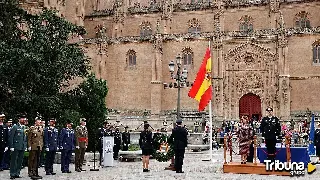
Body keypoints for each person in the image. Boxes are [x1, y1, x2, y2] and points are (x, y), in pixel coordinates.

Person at [9, 114, 27, 179]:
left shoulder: (24, 127)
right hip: (16, 146)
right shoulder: (15, 126)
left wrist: (25, 146)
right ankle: (12, 173)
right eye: (22, 118)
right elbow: (11, 137)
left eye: (24, 118)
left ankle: (17, 173)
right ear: (19, 119)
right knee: (14, 160)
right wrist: (11, 146)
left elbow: (25, 138)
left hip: (22, 146)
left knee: (20, 161)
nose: (24, 119)